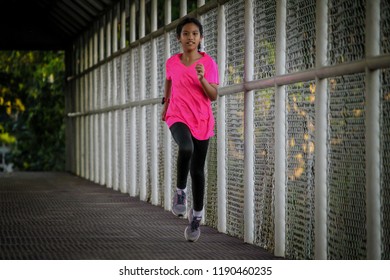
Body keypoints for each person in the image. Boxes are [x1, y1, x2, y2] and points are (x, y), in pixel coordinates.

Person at [161, 17, 219, 242]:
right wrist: (165, 104)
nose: (190, 37)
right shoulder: (172, 62)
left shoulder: (208, 63)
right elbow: (168, 81)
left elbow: (213, 95)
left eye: (195, 34)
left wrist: (202, 78)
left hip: (202, 120)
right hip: (177, 115)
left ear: (201, 38)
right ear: (179, 38)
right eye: (186, 33)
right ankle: (180, 192)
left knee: (198, 170)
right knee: (185, 148)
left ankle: (196, 218)